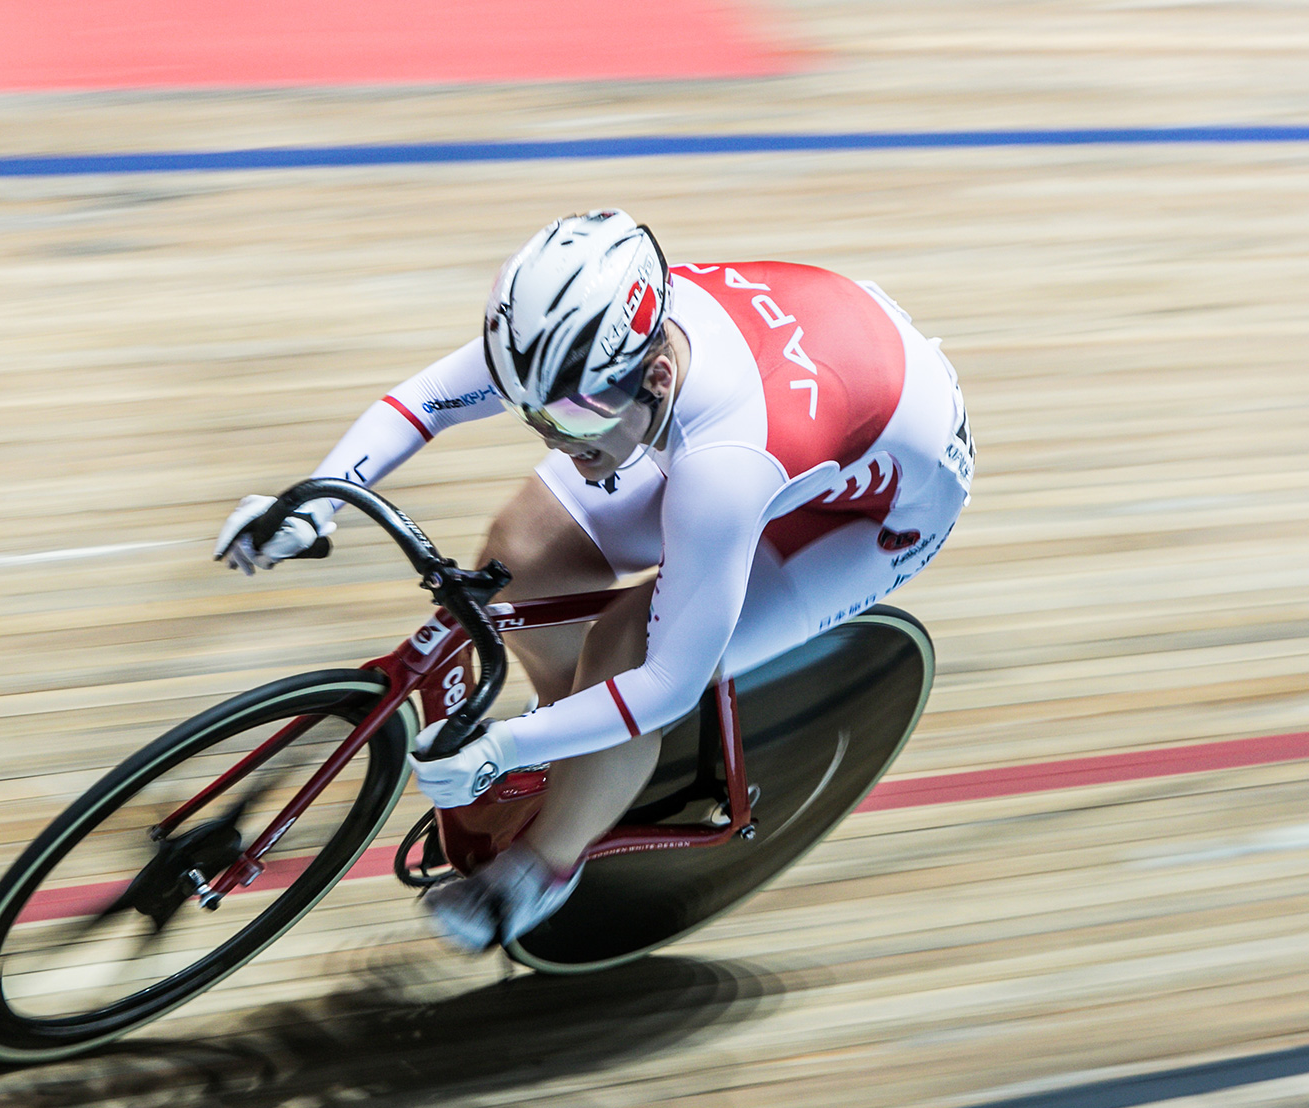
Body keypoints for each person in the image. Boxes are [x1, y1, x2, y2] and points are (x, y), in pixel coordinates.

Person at [214, 209, 973, 952]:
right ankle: (579, 731)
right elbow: (422, 404)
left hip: (872, 514)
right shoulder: (575, 351)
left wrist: (506, 747)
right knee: (523, 551)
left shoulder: (726, 463)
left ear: (658, 374)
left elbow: (669, 685)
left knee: (627, 649)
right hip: (821, 385)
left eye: (574, 419)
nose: (556, 437)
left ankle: (541, 872)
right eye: (532, 413)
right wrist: (309, 503)